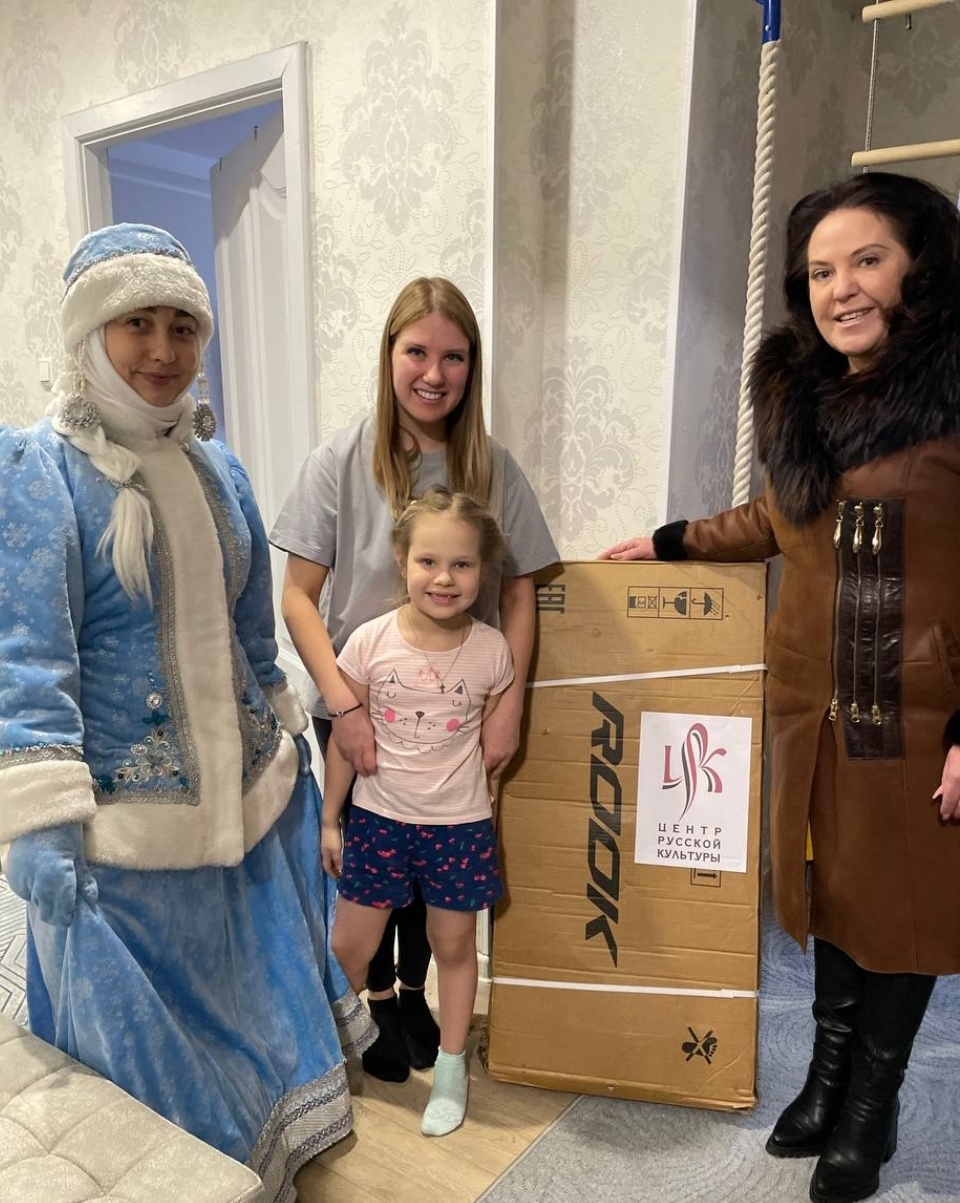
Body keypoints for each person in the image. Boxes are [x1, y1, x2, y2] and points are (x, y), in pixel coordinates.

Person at [600, 172, 960, 1203]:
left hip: (920, 713)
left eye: (867, 260)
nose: (841, 289)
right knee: (829, 893)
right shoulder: (805, 401)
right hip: (811, 711)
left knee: (903, 911)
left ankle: (872, 1105)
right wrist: (673, 539)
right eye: (820, 271)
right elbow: (777, 520)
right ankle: (827, 1076)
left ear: (921, 267)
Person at [0, 224, 373, 1203]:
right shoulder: (40, 470)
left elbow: (253, 628)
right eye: (138, 325)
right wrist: (40, 820)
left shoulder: (220, 468)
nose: (162, 351)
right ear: (91, 332)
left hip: (248, 796)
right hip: (124, 826)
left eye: (182, 327)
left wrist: (285, 729)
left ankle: (269, 1148)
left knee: (250, 997)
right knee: (150, 1052)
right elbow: (28, 658)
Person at [270, 276, 558, 1083]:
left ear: (473, 365)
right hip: (357, 696)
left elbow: (519, 592)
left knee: (434, 869)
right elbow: (297, 596)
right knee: (373, 871)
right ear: (389, 355)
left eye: (454, 357)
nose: (434, 373)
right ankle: (373, 1004)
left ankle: (410, 995)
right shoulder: (338, 459)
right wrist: (344, 704)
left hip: (455, 708)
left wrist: (509, 709)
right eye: (417, 352)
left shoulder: (491, 466)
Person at [321, 486, 512, 1135]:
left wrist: (490, 822)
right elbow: (345, 740)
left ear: (482, 570)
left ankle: (452, 1072)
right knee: (349, 948)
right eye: (429, 561)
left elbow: (493, 751)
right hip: (379, 820)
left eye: (462, 564)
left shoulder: (492, 650)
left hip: (458, 826)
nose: (444, 578)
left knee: (453, 944)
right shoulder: (368, 642)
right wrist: (330, 819)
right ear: (402, 559)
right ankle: (327, 1064)